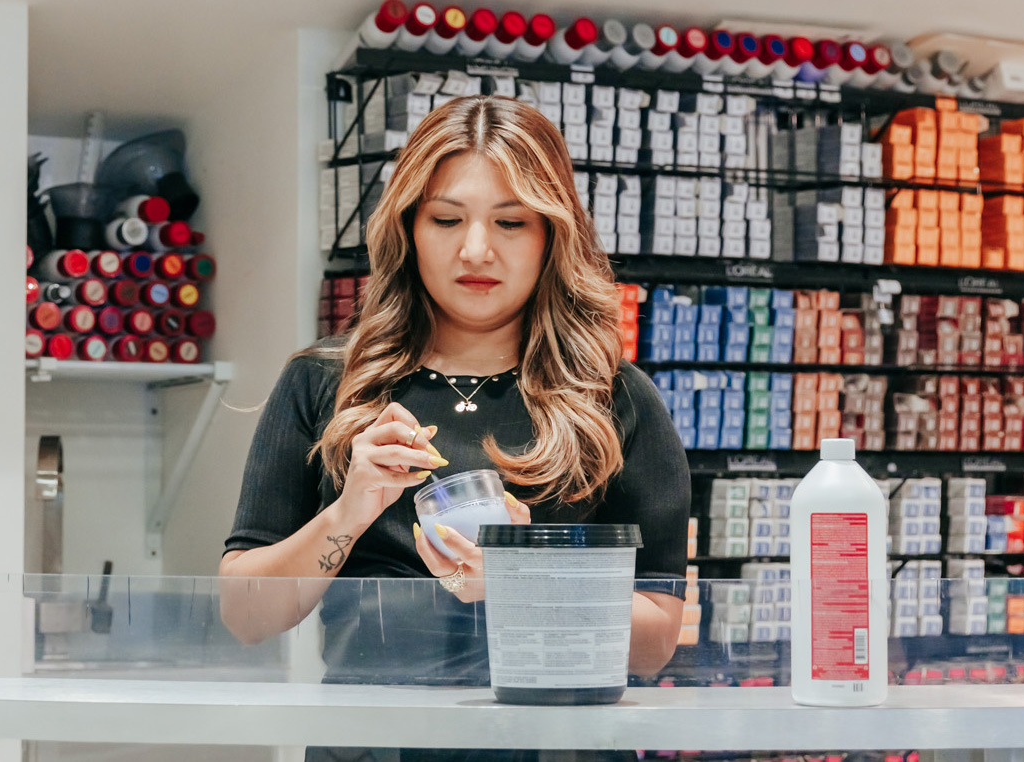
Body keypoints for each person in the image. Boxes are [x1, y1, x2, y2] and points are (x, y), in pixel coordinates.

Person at [220, 95, 690, 760]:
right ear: (408, 227)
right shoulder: (323, 384)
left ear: (551, 234)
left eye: (509, 222)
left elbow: (654, 643)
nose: (476, 250)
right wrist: (347, 513)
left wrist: (522, 581)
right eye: (446, 219)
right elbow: (243, 617)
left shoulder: (612, 398)